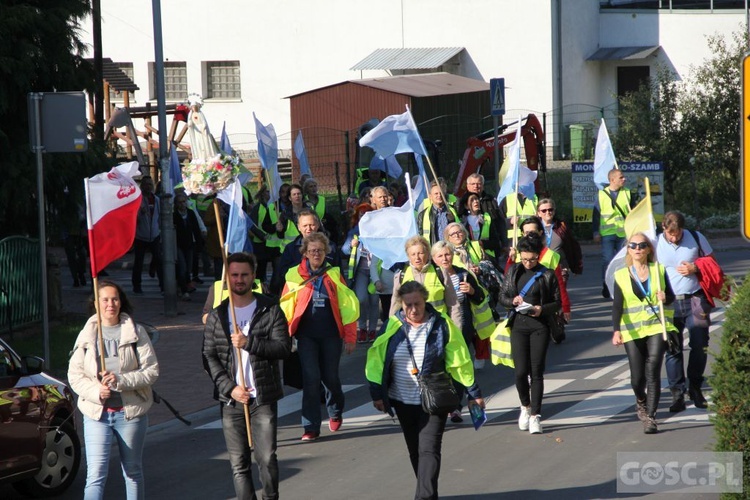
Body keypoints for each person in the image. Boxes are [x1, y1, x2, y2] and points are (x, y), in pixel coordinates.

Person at [366, 281, 484, 500]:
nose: (412, 309)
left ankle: (424, 497)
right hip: (401, 399)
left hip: (434, 399)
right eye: (407, 305)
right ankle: (429, 493)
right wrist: (376, 392)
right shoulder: (392, 325)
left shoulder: (442, 325)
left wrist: (473, 392)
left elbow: (460, 361)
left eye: (417, 304)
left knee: (429, 449)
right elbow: (377, 359)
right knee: (415, 450)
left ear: (425, 300)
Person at [202, 252, 291, 500]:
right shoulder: (218, 315)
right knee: (239, 464)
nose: (239, 279)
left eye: (244, 274)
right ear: (227, 279)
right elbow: (208, 357)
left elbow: (283, 348)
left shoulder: (270, 308)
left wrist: (248, 342)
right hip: (232, 401)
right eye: (234, 275)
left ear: (253, 276)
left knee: (266, 459)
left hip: (262, 398)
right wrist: (229, 388)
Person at [68, 281, 159, 499]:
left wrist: (120, 380)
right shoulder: (87, 334)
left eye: (115, 299)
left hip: (130, 413)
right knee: (96, 475)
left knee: (132, 472)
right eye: (105, 300)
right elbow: (75, 375)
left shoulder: (136, 332)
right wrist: (95, 391)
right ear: (96, 304)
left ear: (121, 301)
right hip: (96, 415)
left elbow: (151, 371)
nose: (111, 304)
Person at [280, 233, 359, 441]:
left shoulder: (333, 274)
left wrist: (350, 337)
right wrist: (284, 337)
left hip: (331, 335)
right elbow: (285, 308)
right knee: (311, 379)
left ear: (326, 252)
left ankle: (335, 411)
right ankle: (311, 426)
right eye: (312, 250)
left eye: (320, 250)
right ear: (305, 253)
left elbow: (348, 307)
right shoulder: (293, 275)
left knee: (330, 378)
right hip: (306, 337)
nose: (316, 254)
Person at [612, 233, 675, 434]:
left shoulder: (659, 270)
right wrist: (616, 330)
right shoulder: (621, 275)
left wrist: (665, 298)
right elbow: (617, 306)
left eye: (642, 245)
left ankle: (651, 417)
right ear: (628, 250)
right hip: (632, 330)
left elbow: (672, 297)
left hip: (656, 326)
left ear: (649, 249)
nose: (638, 248)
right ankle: (641, 399)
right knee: (637, 379)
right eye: (633, 245)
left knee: (653, 369)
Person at [498, 235, 561, 434]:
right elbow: (502, 296)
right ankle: (524, 406)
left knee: (536, 372)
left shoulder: (547, 274)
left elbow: (557, 302)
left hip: (539, 326)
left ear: (538, 256)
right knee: (519, 372)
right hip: (518, 325)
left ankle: (535, 415)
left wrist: (541, 309)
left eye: (532, 259)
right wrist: (512, 301)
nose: (527, 263)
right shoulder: (514, 271)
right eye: (524, 259)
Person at [656, 210, 713, 412]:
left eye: (678, 233)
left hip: (696, 298)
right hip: (670, 302)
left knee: (700, 344)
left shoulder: (696, 237)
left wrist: (695, 268)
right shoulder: (655, 243)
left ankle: (695, 387)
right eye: (671, 234)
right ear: (664, 228)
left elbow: (711, 262)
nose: (675, 237)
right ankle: (677, 393)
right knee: (673, 348)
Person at [430, 241, 491, 423]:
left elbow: (482, 297)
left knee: (460, 366)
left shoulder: (463, 274)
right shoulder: (432, 276)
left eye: (447, 254)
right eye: (440, 256)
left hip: (462, 328)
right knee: (442, 369)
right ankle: (441, 404)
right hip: (439, 329)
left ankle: (456, 407)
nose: (444, 258)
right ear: (434, 259)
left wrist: (472, 291)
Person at [271, 209, 341, 294]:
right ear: (299, 227)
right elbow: (283, 276)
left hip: (327, 294)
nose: (309, 229)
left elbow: (339, 276)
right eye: (305, 226)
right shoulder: (290, 249)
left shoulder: (331, 247)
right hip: (300, 296)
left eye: (312, 225)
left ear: (318, 225)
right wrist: (305, 263)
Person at [342, 203, 379, 343]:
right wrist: (351, 245)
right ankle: (362, 328)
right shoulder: (354, 231)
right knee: (361, 299)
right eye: (361, 214)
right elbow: (344, 250)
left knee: (374, 301)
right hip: (361, 271)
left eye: (367, 214)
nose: (364, 217)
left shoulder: (378, 231)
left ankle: (372, 330)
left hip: (376, 270)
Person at [593, 168, 631, 298]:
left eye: (623, 177)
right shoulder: (602, 194)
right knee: (607, 260)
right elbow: (596, 215)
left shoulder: (627, 193)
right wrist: (595, 232)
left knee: (624, 261)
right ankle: (607, 284)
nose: (624, 179)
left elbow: (633, 212)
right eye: (621, 177)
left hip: (624, 233)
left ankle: (624, 285)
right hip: (607, 233)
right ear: (612, 180)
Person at [390, 236, 445, 317]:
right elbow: (395, 305)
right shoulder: (401, 276)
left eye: (421, 253)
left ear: (428, 254)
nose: (417, 258)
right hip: (411, 325)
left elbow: (453, 305)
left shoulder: (441, 272)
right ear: (408, 257)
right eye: (413, 254)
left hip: (438, 323)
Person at [536, 198, 583, 283]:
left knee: (560, 295)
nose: (548, 212)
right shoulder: (535, 228)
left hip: (560, 268)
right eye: (544, 210)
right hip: (541, 267)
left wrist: (576, 267)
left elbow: (573, 246)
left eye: (550, 209)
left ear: (554, 211)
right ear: (539, 213)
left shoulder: (562, 226)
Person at [132, 176, 162, 294]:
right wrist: (140, 213)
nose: (148, 187)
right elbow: (133, 218)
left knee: (159, 259)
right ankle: (137, 285)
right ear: (142, 186)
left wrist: (160, 232)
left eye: (150, 184)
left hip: (154, 235)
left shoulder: (157, 200)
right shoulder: (138, 200)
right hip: (141, 236)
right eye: (146, 184)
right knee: (138, 262)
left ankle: (163, 285)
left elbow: (159, 217)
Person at [173, 191, 203, 300]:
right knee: (182, 267)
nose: (182, 204)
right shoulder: (174, 215)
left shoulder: (190, 213)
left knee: (188, 268)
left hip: (189, 244)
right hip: (178, 245)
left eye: (184, 202)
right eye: (179, 202)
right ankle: (184, 290)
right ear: (176, 204)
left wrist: (199, 244)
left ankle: (184, 285)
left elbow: (196, 229)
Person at [417, 181, 459, 246]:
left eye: (441, 193)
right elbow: (420, 235)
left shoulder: (452, 211)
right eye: (436, 194)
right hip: (433, 251)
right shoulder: (423, 215)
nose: (439, 195)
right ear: (430, 196)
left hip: (451, 249)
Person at [303, 178, 340, 245]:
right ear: (306, 189)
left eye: (315, 186)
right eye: (311, 186)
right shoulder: (304, 200)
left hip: (322, 225)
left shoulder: (322, 199)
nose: (313, 188)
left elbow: (327, 214)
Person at [187, 93, 220, 160]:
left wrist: (203, 127)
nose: (194, 108)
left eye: (195, 107)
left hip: (202, 130)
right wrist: (190, 124)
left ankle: (208, 155)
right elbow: (190, 123)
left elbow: (204, 122)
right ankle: (200, 156)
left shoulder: (200, 114)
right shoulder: (191, 115)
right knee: (199, 144)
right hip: (196, 132)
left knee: (205, 143)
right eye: (192, 107)